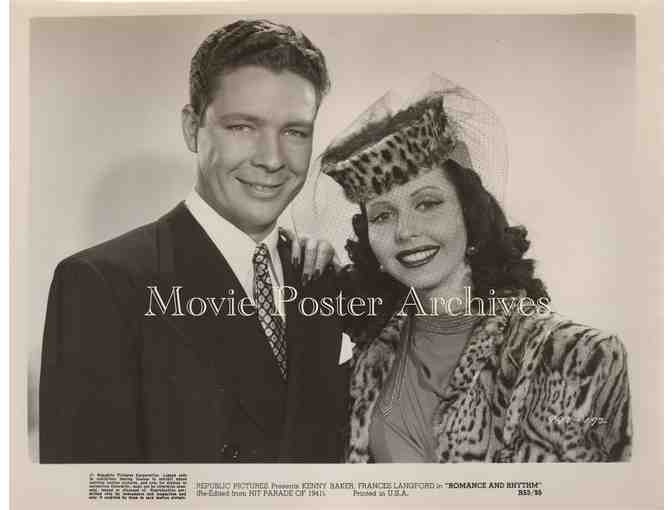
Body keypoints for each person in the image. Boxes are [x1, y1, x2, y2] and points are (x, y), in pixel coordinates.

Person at [39, 19, 349, 463]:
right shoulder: (101, 284)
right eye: (243, 127)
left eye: (295, 132)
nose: (272, 159)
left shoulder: (323, 279)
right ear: (192, 129)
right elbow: (81, 491)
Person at [319, 76, 632, 462]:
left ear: (470, 214)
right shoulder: (363, 368)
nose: (405, 232)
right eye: (382, 214)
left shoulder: (581, 359)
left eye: (428, 203)